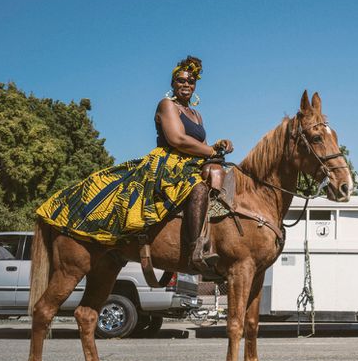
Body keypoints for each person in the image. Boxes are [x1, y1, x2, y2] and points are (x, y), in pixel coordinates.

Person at [36, 55, 234, 271]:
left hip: (192, 162)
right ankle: (196, 250)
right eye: (181, 80)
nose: (186, 84)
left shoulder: (196, 115)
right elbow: (177, 139)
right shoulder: (167, 105)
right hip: (169, 163)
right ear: (173, 84)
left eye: (191, 81)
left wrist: (217, 146)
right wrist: (211, 149)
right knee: (197, 189)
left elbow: (201, 144)